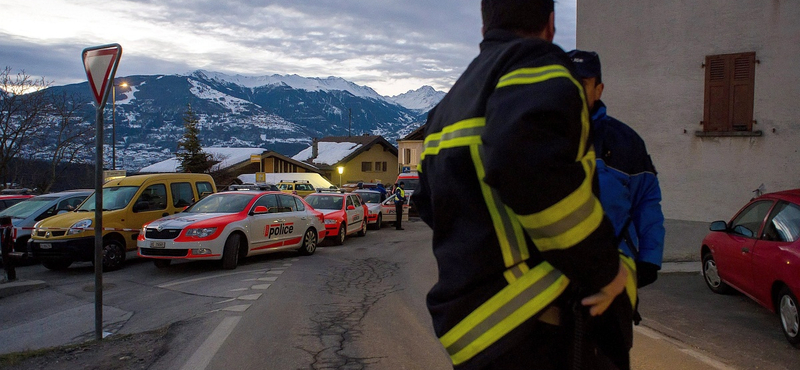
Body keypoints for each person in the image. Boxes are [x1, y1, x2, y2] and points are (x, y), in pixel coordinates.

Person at [414, 1, 636, 369]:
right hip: (533, 326)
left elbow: (428, 200)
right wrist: (606, 270)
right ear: (551, 25)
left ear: (484, 28)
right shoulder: (537, 65)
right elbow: (525, 164)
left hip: (474, 335)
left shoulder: (449, 105)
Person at [567, 50, 665, 294]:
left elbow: (647, 201)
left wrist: (649, 258)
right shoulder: (536, 137)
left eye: (583, 84)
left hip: (615, 276)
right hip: (553, 277)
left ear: (598, 90)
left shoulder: (626, 142)